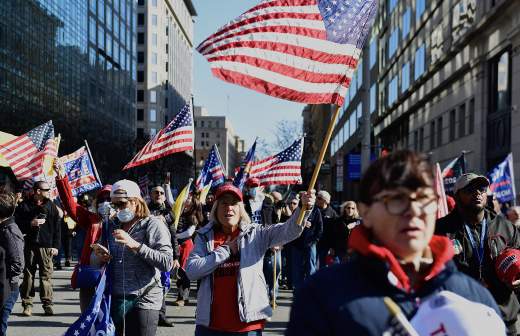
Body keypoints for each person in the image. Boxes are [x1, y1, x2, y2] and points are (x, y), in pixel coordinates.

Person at [286, 150, 503, 336]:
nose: (414, 211)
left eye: (424, 200)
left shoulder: (473, 297)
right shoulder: (322, 295)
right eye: (397, 200)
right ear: (367, 212)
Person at [186, 182, 315, 335]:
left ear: (241, 209)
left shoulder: (255, 234)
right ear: (216, 209)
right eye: (224, 204)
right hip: (210, 326)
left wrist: (304, 208)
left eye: (234, 204)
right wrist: (225, 251)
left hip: (248, 326)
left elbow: (289, 230)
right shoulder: (204, 236)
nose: (229, 208)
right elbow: (192, 270)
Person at [436, 173, 520, 335]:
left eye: (482, 189)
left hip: (504, 316)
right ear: (457, 195)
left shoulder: (505, 227)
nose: (478, 193)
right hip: (462, 319)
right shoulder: (440, 230)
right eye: (469, 189)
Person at [92, 179, 173, 336]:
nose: (117, 209)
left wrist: (135, 245)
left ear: (136, 201)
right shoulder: (111, 225)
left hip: (144, 298)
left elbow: (167, 262)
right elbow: (96, 261)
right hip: (115, 297)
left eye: (122, 204)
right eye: (114, 204)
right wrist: (99, 256)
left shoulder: (152, 224)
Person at [54, 161, 113, 313]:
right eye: (102, 200)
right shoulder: (91, 219)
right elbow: (70, 206)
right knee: (87, 316)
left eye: (109, 199)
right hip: (90, 274)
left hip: (113, 276)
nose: (105, 202)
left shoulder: (125, 221)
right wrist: (62, 178)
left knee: (108, 318)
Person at [15, 181, 60, 316]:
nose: (48, 191)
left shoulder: (51, 206)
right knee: (28, 275)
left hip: (46, 247)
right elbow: (16, 224)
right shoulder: (24, 206)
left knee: (46, 276)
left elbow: (57, 229)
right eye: (46, 189)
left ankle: (47, 304)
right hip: (29, 245)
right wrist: (30, 223)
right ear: (37, 191)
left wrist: (56, 246)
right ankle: (27, 304)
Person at [147, 184, 180, 327]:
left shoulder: (169, 213)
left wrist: (176, 257)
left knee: (163, 285)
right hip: (147, 254)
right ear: (151, 195)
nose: (159, 194)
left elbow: (174, 236)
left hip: (164, 256)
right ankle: (148, 315)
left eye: (161, 192)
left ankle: (161, 316)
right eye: (156, 192)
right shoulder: (145, 210)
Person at [0, 192, 24, 335]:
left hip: (7, 287)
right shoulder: (3, 228)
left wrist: (3, 274)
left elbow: (18, 264)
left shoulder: (10, 231)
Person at [290, 193, 322, 290]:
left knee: (311, 268)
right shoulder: (297, 210)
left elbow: (320, 228)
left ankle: (311, 291)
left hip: (310, 244)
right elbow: (291, 226)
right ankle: (298, 291)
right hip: (297, 245)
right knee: (297, 269)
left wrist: (314, 241)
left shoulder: (316, 211)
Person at [315, 190, 338, 269]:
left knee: (322, 266)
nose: (316, 199)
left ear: (325, 201)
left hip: (325, 244)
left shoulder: (332, 213)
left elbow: (335, 232)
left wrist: (332, 246)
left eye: (318, 198)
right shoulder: (313, 210)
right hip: (313, 242)